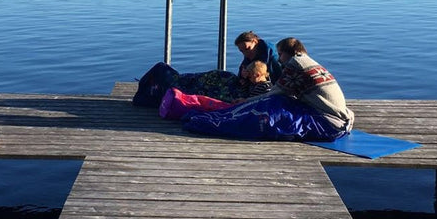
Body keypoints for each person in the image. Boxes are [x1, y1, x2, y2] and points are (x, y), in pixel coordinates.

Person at [182, 37, 354, 142]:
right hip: (340, 120)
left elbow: (274, 93)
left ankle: (212, 121)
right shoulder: (311, 62)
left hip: (330, 123)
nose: (278, 60)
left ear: (291, 53)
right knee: (277, 104)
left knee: (269, 109)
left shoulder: (296, 64)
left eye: (280, 55)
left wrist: (245, 101)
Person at [132, 30, 280, 106]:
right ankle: (176, 78)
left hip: (239, 92)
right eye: (242, 51)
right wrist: (243, 75)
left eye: (247, 49)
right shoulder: (251, 56)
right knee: (213, 75)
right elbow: (243, 78)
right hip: (235, 83)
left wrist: (247, 84)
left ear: (255, 41)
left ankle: (171, 85)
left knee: (202, 89)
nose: (245, 53)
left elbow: (274, 85)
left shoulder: (269, 59)